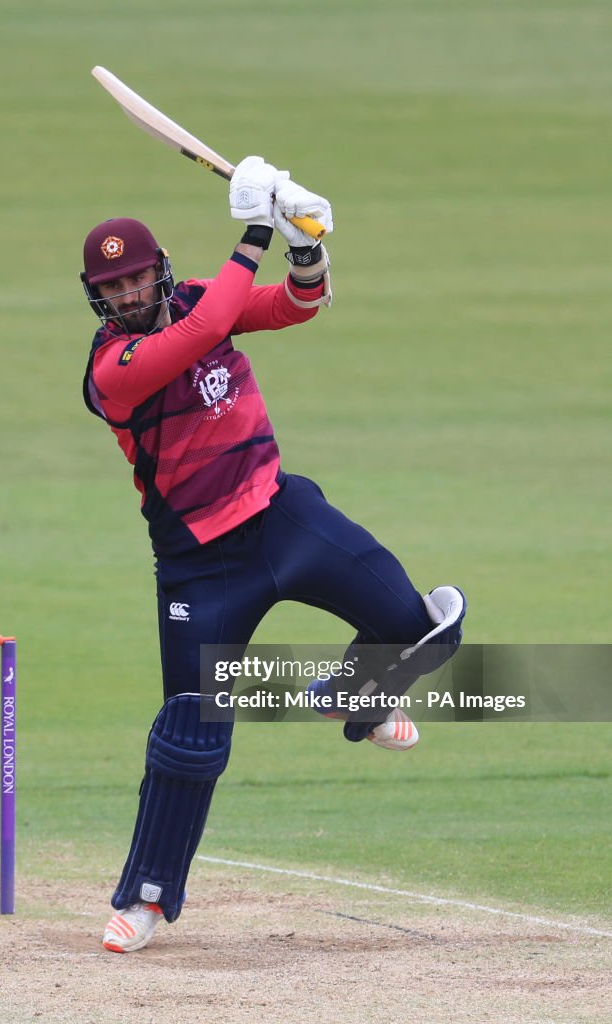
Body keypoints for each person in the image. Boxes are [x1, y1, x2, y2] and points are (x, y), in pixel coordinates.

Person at [80, 156, 466, 954]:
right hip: (200, 562)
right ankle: (147, 897)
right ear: (97, 297)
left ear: (159, 273)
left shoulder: (194, 301)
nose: (126, 295)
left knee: (423, 628)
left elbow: (298, 307)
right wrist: (254, 227)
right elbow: (198, 332)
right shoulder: (111, 370)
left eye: (137, 280)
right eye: (111, 289)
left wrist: (302, 242)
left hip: (282, 514)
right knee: (191, 735)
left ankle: (352, 699)